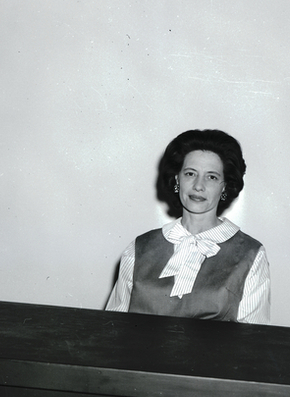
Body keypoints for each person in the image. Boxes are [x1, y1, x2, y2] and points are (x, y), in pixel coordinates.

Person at [106, 129, 270, 324]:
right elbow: (113, 326)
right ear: (177, 179)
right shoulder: (139, 248)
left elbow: (253, 338)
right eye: (190, 173)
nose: (198, 186)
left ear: (225, 185)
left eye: (211, 177)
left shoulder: (251, 255)